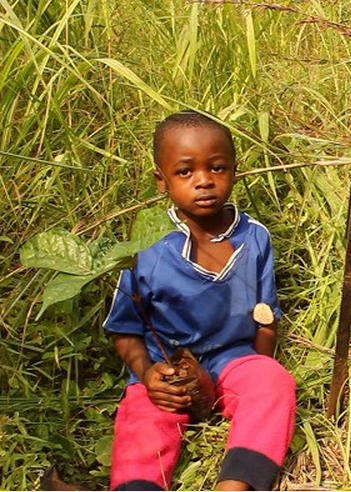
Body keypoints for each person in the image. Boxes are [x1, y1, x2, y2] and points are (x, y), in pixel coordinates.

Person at [104, 111, 296, 491]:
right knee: (142, 418)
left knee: (272, 383)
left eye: (217, 167)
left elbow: (265, 318)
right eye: (185, 171)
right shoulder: (147, 245)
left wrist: (259, 370)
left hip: (231, 360)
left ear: (235, 172)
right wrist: (148, 374)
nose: (204, 180)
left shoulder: (254, 237)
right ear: (162, 180)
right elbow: (124, 329)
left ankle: (236, 484)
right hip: (166, 369)